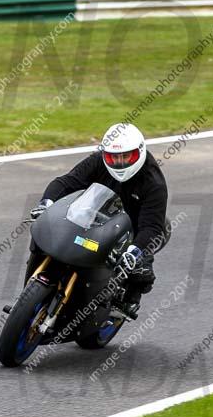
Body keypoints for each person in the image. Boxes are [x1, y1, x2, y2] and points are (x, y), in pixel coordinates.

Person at [29, 123, 168, 318]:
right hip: (94, 213)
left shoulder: (154, 182)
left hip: (133, 228)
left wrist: (135, 251)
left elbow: (152, 226)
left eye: (125, 156)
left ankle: (129, 300)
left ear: (139, 153)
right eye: (113, 156)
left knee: (139, 267)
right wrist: (46, 203)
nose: (119, 162)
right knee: (49, 227)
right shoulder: (97, 161)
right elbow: (67, 181)